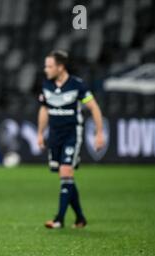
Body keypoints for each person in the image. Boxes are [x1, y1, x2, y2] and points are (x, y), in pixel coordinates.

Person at [36, 50, 105, 229]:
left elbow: (94, 108)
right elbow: (44, 110)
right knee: (65, 177)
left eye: (49, 66)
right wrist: (40, 133)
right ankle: (80, 218)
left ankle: (59, 219)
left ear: (60, 67)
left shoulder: (77, 85)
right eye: (46, 66)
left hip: (72, 134)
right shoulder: (46, 84)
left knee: (66, 172)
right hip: (54, 136)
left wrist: (99, 133)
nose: (46, 69)